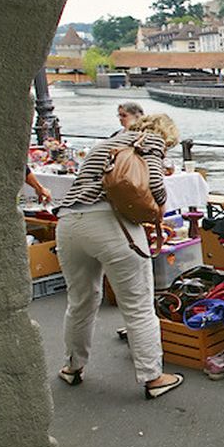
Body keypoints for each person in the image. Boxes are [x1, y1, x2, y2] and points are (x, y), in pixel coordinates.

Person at [55, 112, 183, 400]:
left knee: (81, 302)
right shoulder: (151, 140)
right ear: (166, 134)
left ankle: (72, 366)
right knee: (138, 304)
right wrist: (158, 211)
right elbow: (152, 183)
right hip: (110, 224)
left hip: (69, 223)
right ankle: (153, 377)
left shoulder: (108, 142)